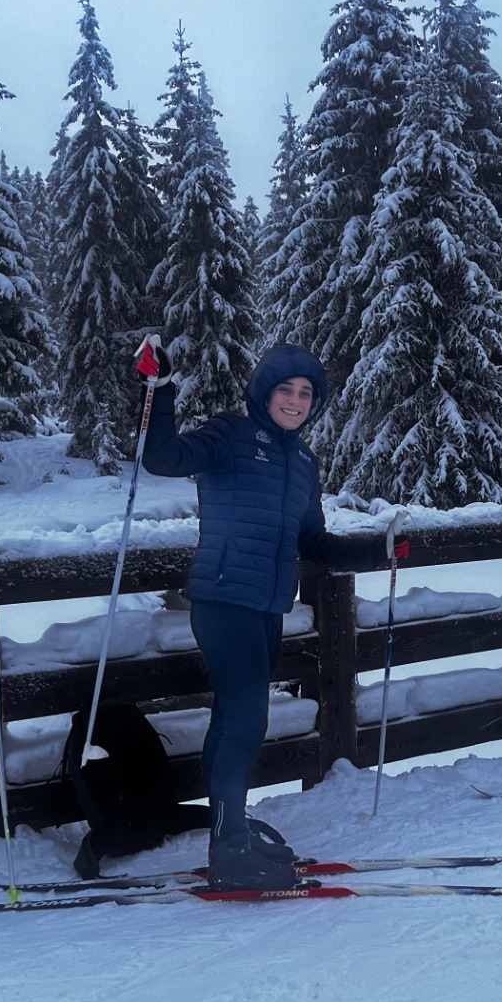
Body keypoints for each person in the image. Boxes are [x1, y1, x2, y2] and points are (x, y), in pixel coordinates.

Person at [139, 337, 377, 886]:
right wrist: (162, 389)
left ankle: (232, 834)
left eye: (305, 394)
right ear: (264, 392)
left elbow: (315, 542)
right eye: (285, 390)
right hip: (224, 601)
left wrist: (378, 550)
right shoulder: (231, 435)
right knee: (246, 721)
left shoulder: (304, 462)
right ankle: (229, 848)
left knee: (233, 721)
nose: (295, 401)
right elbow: (164, 457)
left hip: (267, 606)